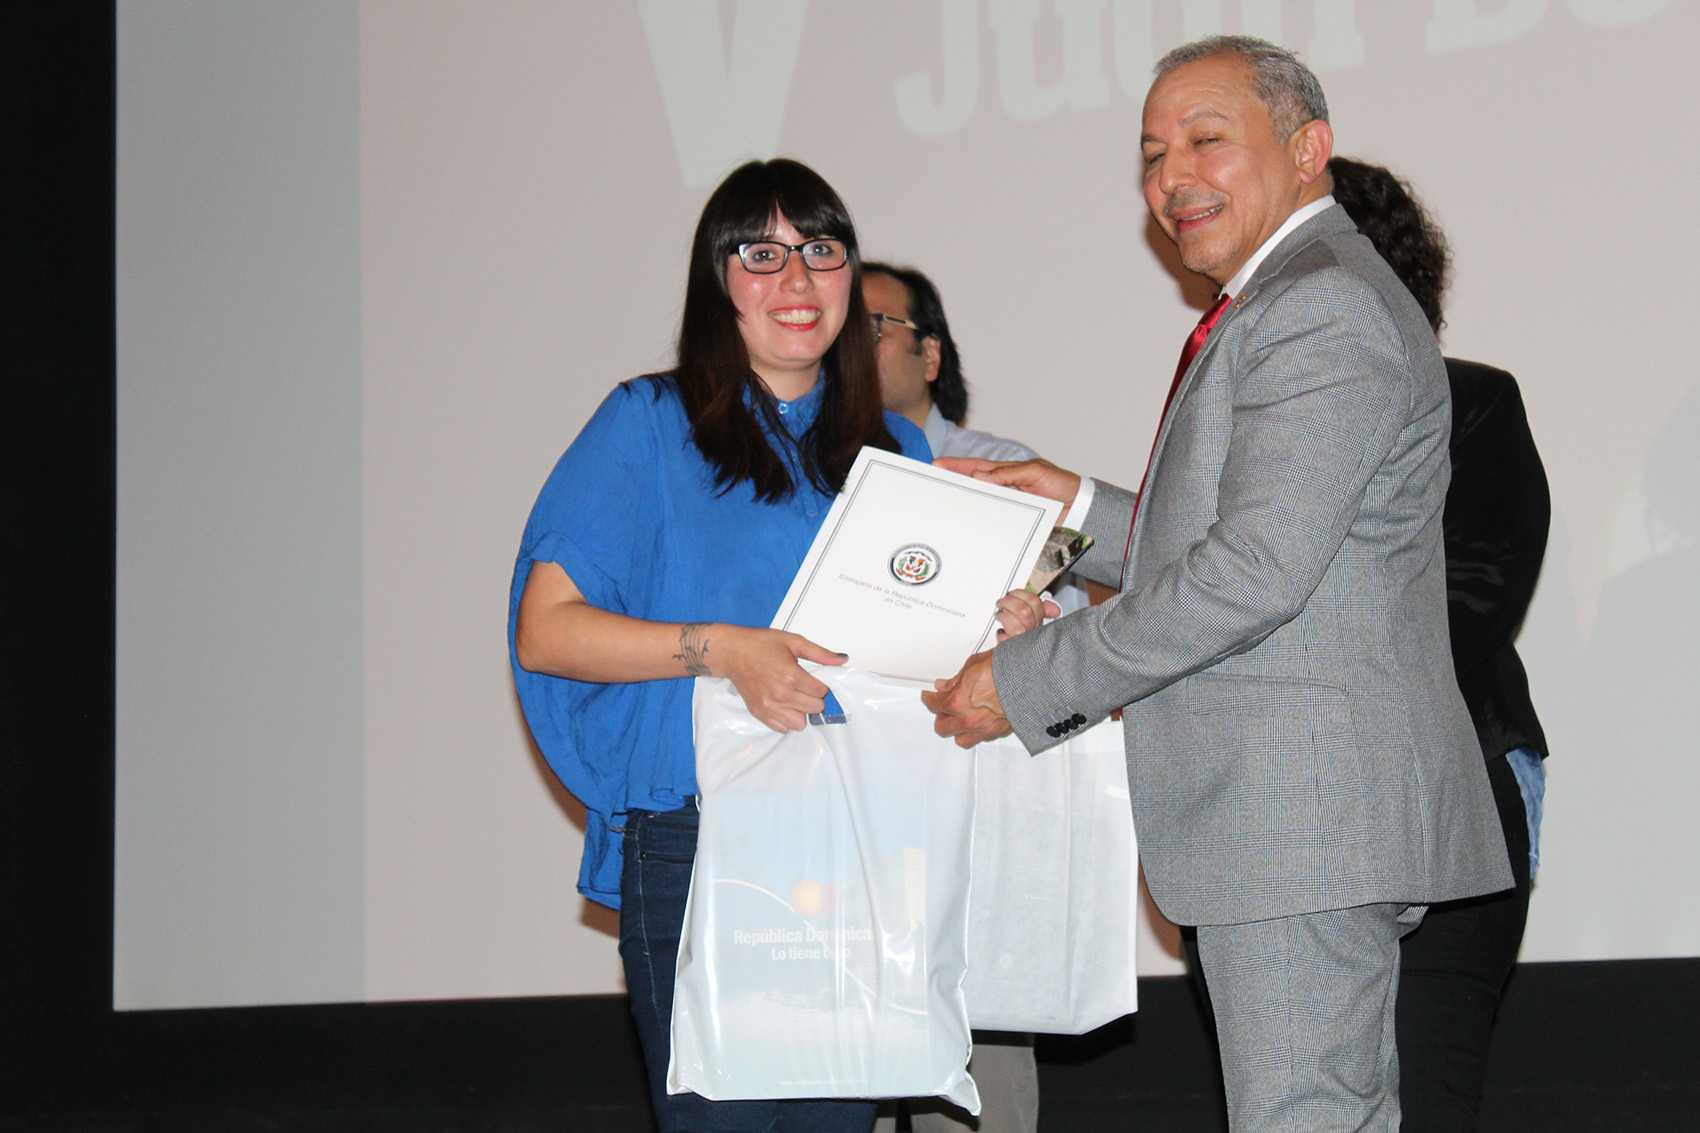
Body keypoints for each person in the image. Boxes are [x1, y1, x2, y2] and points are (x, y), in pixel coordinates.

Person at [923, 37, 1511, 1130]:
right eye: (1151, 154)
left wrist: (1024, 679)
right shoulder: (1289, 296)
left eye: (1205, 140)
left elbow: (1252, 571)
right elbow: (1274, 544)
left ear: (1308, 148)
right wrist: (1074, 505)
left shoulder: (1319, 304)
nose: (1170, 178)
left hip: (1298, 816)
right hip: (1298, 818)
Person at [508, 158, 1050, 1132]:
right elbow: (546, 631)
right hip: (702, 837)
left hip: (862, 839)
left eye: (820, 251)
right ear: (717, 281)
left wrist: (995, 634)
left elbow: (909, 657)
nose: (796, 279)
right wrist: (723, 649)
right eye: (761, 255)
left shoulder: (896, 448)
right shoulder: (646, 422)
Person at [1328, 155, 1550, 1130]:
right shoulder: (1234, 422)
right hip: (1271, 811)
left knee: (1424, 1090)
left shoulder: (1471, 401)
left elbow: (1470, 603)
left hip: (1445, 775)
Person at [862, 261, 1047, 1133]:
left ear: (929, 355)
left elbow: (1064, 632)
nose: (845, 345)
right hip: (848, 816)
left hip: (972, 815)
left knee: (980, 1088)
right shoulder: (798, 475)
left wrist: (1031, 626)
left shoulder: (1003, 472)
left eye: (872, 327)